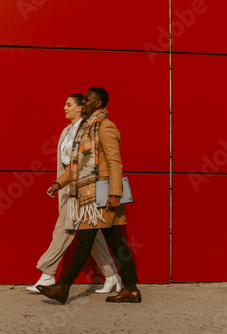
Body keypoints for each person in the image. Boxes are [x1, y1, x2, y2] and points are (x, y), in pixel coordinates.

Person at [38, 87, 141, 304]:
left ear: (99, 104)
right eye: (83, 99)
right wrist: (58, 183)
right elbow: (77, 165)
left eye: (88, 99)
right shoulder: (86, 129)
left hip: (101, 197)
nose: (83, 102)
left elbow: (115, 162)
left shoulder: (105, 127)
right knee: (117, 243)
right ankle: (131, 289)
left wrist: (115, 194)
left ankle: (63, 288)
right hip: (91, 195)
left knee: (86, 243)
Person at [27, 93, 122, 294]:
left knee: (64, 228)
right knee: (92, 234)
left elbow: (102, 161)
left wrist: (114, 192)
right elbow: (67, 163)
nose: (64, 107)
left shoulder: (89, 129)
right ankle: (113, 275)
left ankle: (47, 273)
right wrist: (58, 184)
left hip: (83, 188)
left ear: (80, 107)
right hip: (68, 186)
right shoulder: (67, 131)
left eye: (69, 104)